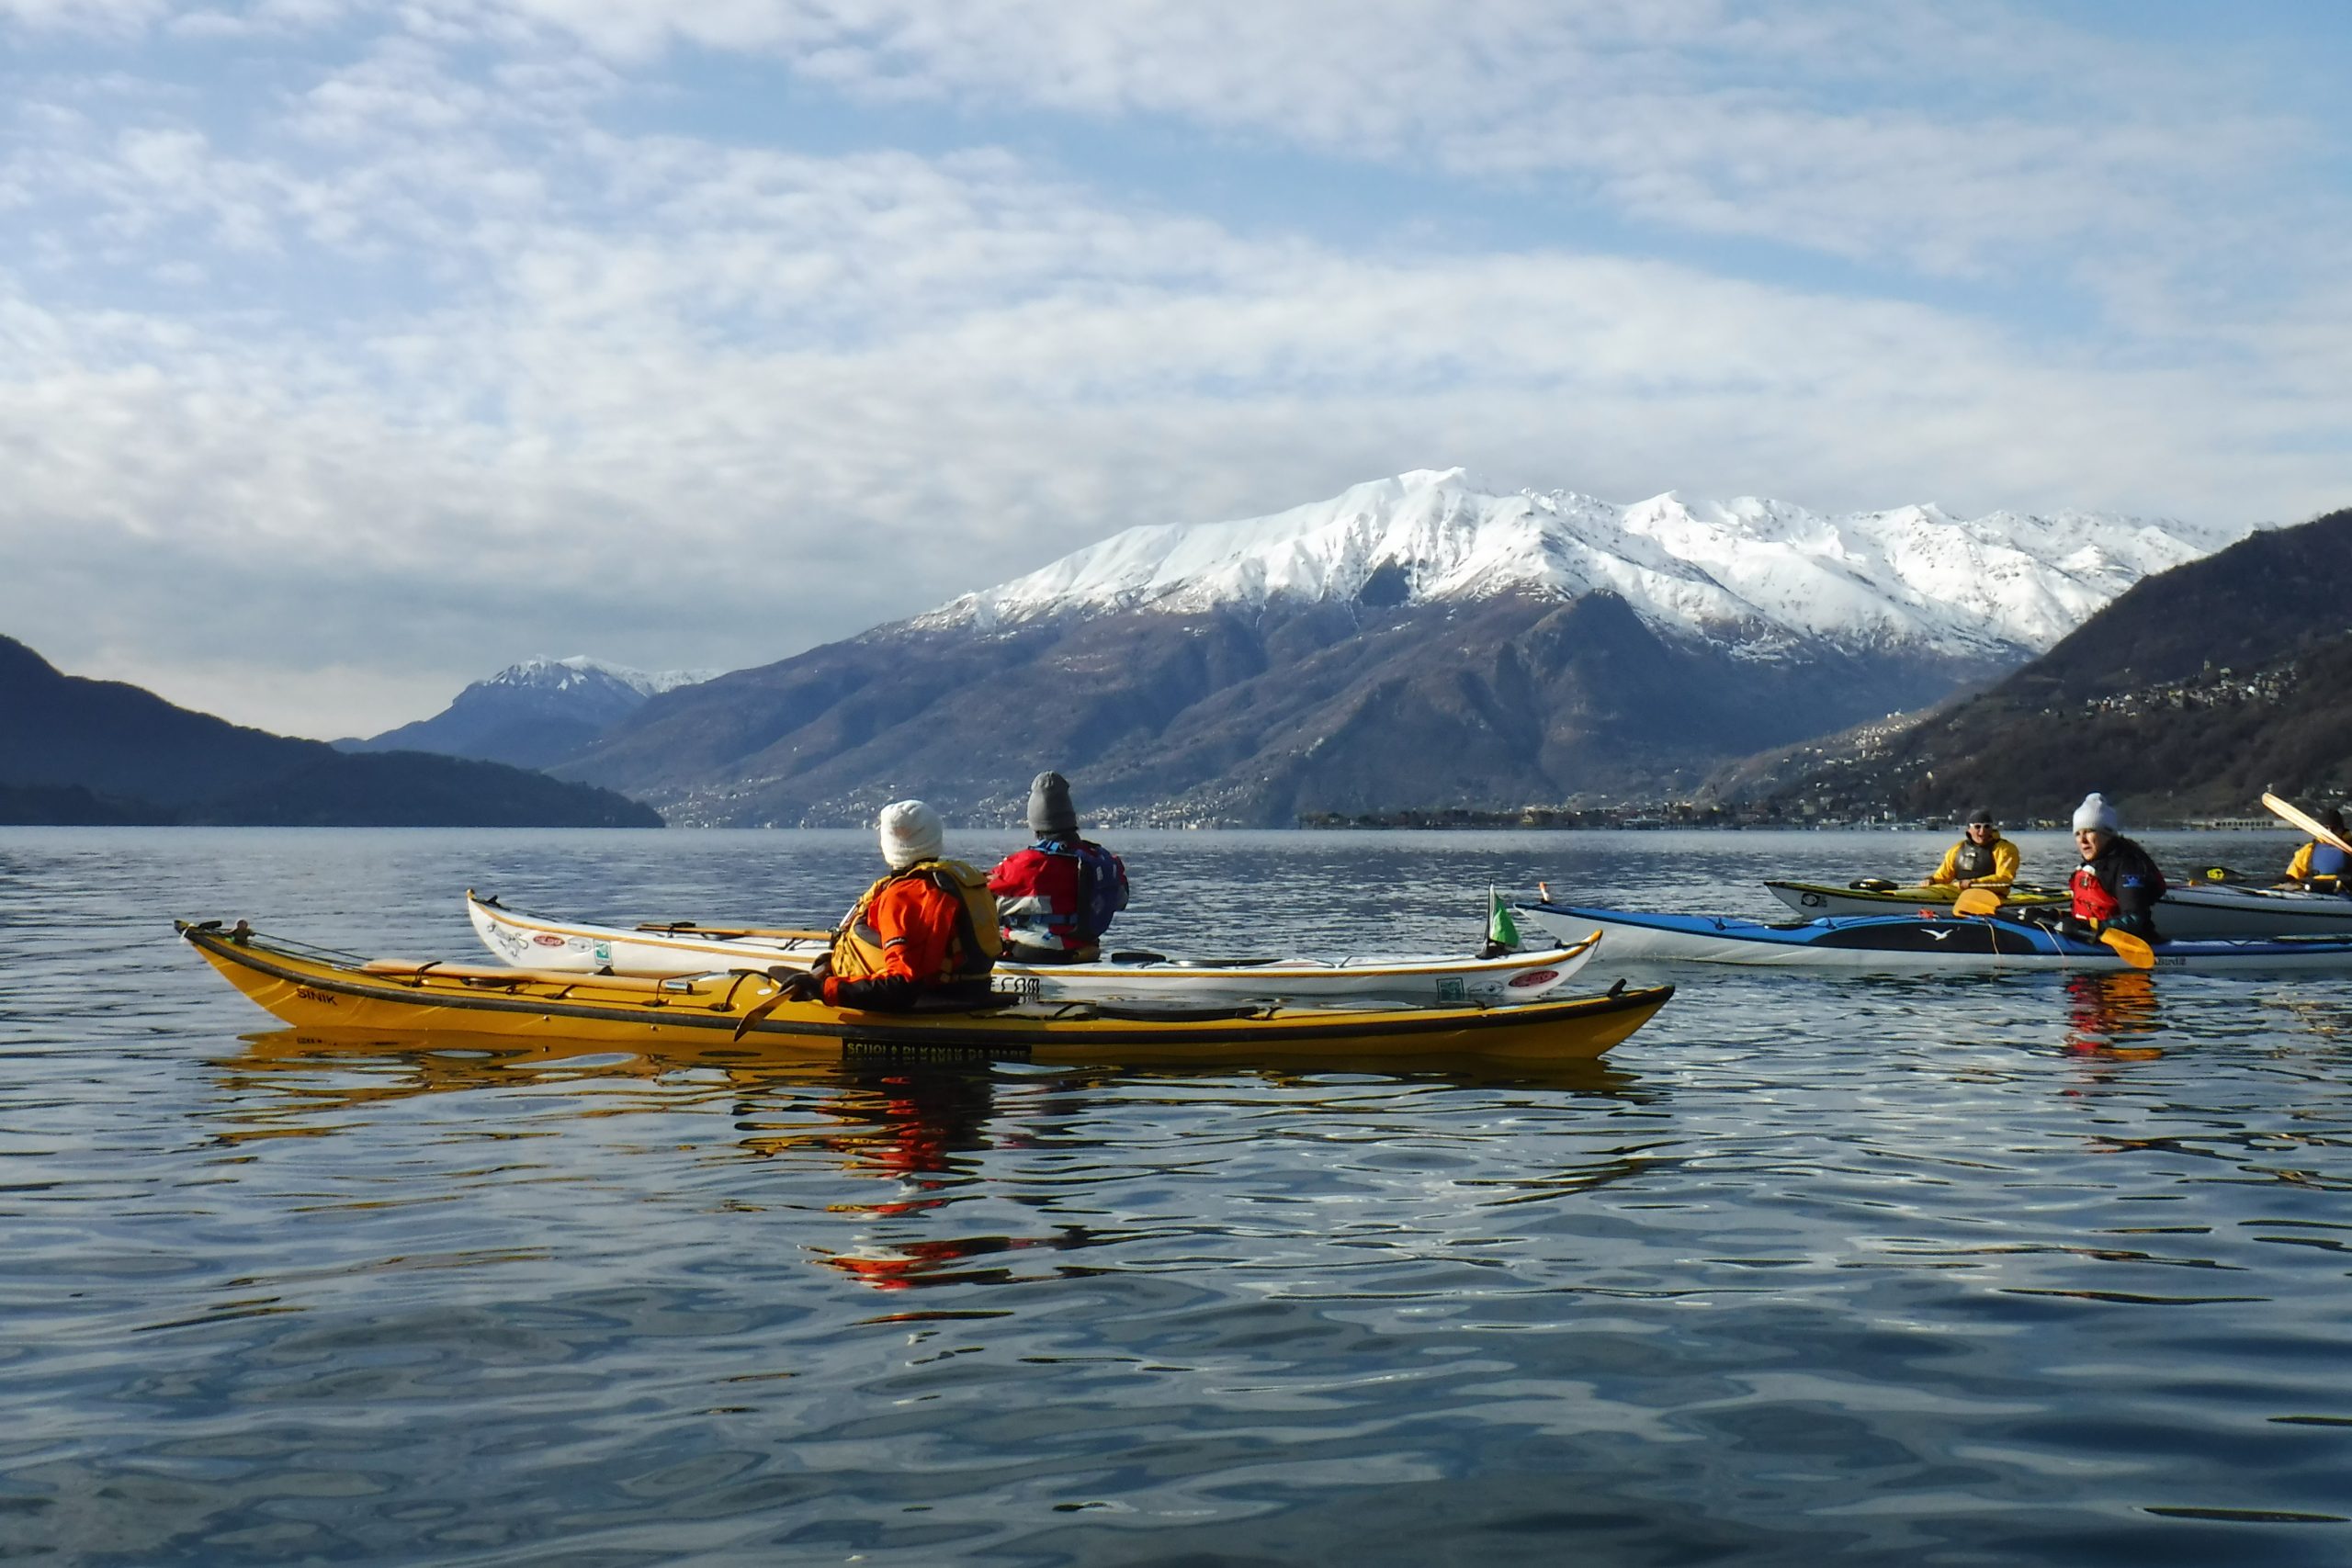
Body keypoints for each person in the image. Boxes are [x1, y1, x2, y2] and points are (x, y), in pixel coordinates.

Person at [777, 799, 1001, 1010]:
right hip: (972, 990)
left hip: (932, 999)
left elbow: (901, 986)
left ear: (889, 844)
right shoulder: (955, 879)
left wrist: (822, 989)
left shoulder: (905, 896)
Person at [989, 771, 1131, 963]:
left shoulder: (1025, 864)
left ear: (1035, 823)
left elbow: (982, 900)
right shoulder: (1103, 860)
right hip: (1087, 949)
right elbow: (1121, 900)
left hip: (1036, 953)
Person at [2062, 792, 2166, 942]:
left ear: (2107, 834)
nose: (2082, 840)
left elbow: (2134, 919)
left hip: (2130, 944)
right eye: (2078, 834)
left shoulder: (2127, 866)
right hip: (2093, 940)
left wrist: (2090, 927)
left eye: (2089, 831)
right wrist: (2053, 916)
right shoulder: (2091, 865)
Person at [1926, 807, 2019, 890]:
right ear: (1969, 830)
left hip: (1992, 895)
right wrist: (1931, 880)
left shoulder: (2005, 849)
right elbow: (1943, 876)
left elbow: (2004, 879)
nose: (1982, 832)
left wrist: (1975, 882)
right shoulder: (1957, 849)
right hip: (1961, 893)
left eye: (1987, 826)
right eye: (1977, 827)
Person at [2283, 806, 2350, 891]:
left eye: (2334, 829)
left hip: (2345, 893)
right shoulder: (2308, 850)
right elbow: (2292, 876)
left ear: (2342, 829)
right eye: (2325, 828)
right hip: (2314, 893)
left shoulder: (2350, 847)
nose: (2329, 832)